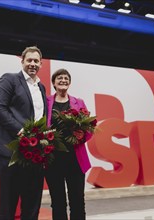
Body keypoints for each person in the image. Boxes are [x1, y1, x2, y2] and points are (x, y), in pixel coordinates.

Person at [0, 46, 47, 220]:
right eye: (29, 60)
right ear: (22, 61)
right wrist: (21, 132)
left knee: (32, 201)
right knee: (8, 201)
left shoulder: (41, 87)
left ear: (41, 64)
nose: (32, 64)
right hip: (10, 150)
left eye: (36, 61)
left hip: (35, 152)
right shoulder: (10, 79)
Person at [45, 68, 92, 220]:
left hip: (75, 160)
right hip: (53, 160)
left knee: (77, 200)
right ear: (54, 83)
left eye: (66, 78)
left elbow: (90, 127)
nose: (63, 80)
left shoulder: (79, 102)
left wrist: (82, 135)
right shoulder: (46, 103)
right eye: (59, 78)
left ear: (69, 83)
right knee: (57, 202)